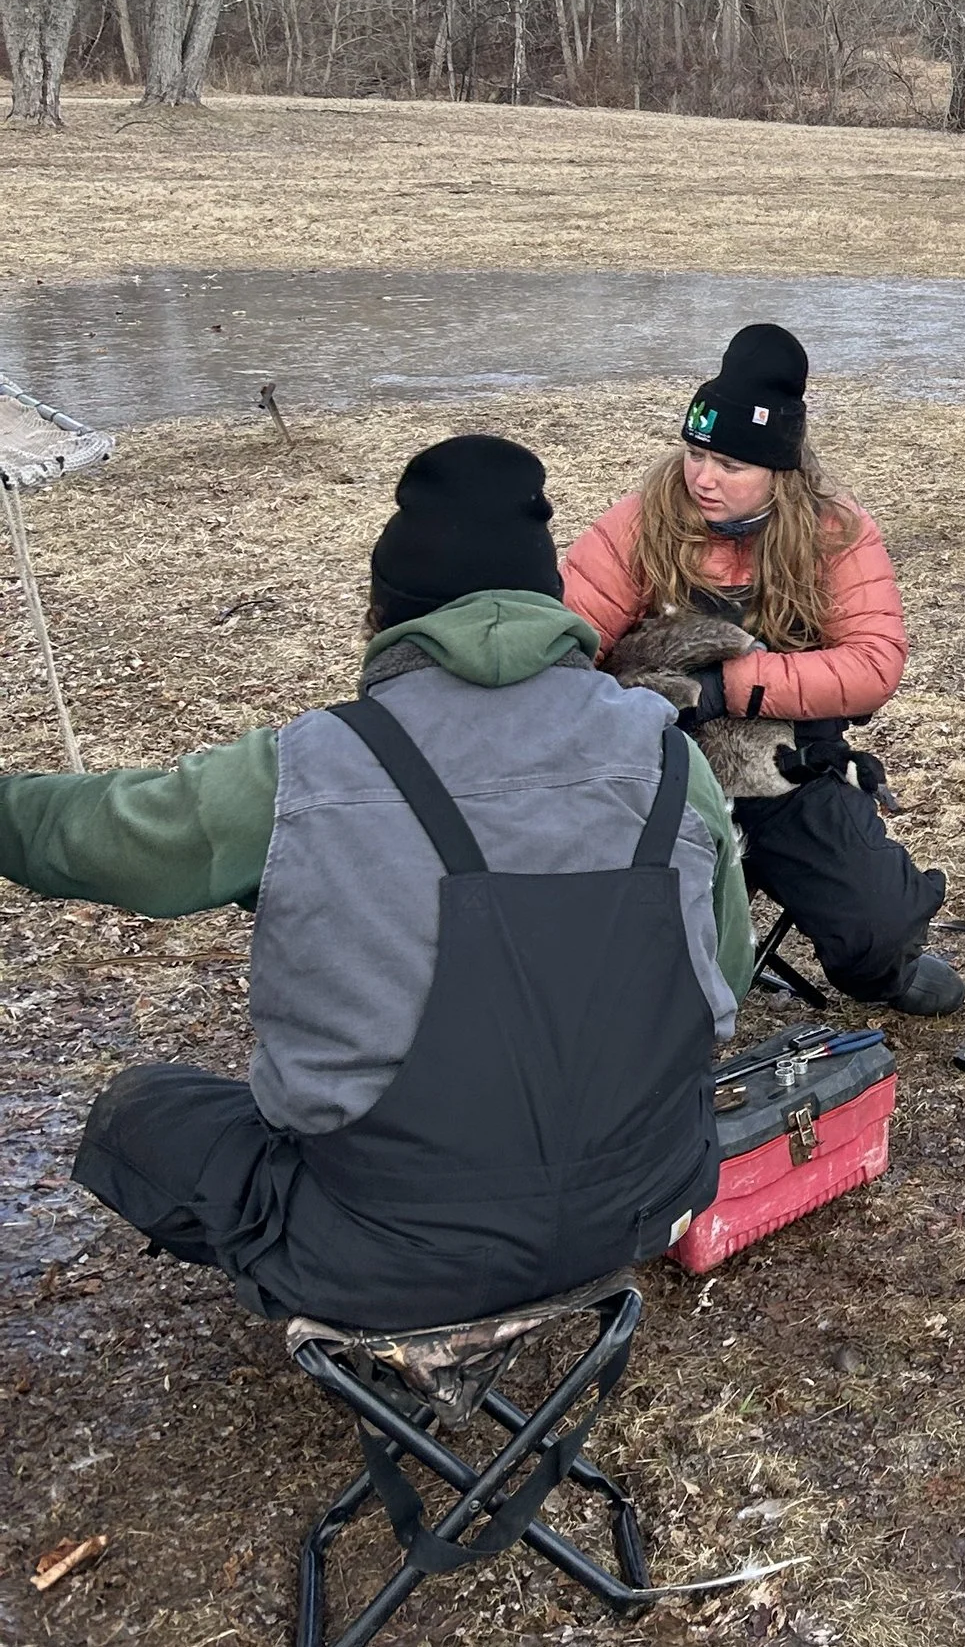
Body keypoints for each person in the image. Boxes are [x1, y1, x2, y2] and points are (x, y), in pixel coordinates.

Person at [0, 435, 749, 1331]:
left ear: (386, 612)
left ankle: (381, 1298)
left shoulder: (307, 766)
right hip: (638, 1202)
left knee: (140, 1110)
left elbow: (105, 836)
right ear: (551, 604)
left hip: (384, 1249)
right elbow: (725, 977)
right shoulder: (667, 751)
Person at [564, 323, 965, 1018]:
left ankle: (887, 966)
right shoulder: (640, 522)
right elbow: (568, 640)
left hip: (788, 771)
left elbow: (874, 663)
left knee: (878, 925)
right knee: (616, 970)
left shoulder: (835, 531)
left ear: (779, 471)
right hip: (663, 773)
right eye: (695, 453)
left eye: (730, 465)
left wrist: (733, 687)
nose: (704, 478)